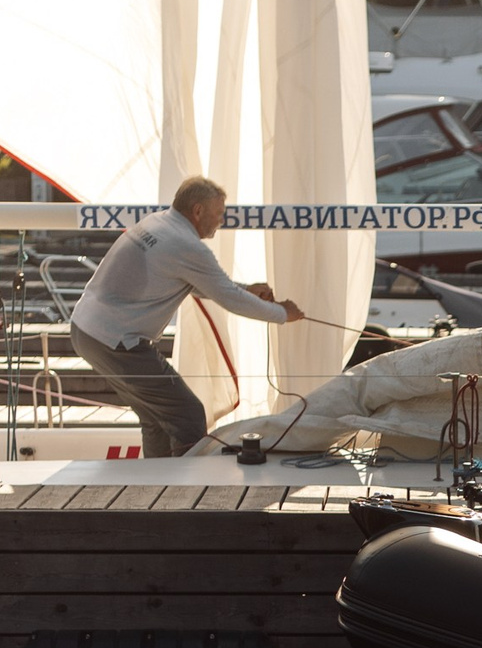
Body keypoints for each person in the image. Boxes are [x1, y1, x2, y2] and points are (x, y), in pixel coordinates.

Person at [68, 176, 306, 457]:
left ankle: (156, 488)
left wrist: (248, 290)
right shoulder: (186, 245)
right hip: (116, 340)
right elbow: (228, 298)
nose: (221, 221)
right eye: (219, 214)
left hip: (85, 330)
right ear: (197, 211)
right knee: (189, 414)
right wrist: (282, 314)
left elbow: (199, 284)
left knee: (156, 417)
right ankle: (185, 494)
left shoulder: (156, 223)